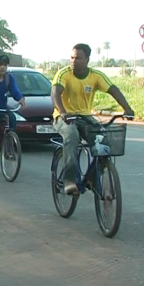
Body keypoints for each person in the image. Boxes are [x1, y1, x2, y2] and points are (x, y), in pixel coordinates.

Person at [52, 43, 134, 195]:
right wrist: (62, 112)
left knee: (104, 142)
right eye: (72, 57)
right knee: (72, 136)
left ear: (87, 59)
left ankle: (91, 178)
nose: (73, 61)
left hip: (85, 117)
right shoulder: (64, 74)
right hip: (64, 117)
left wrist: (127, 109)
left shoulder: (95, 76)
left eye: (78, 58)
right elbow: (55, 93)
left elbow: (113, 90)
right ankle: (69, 180)